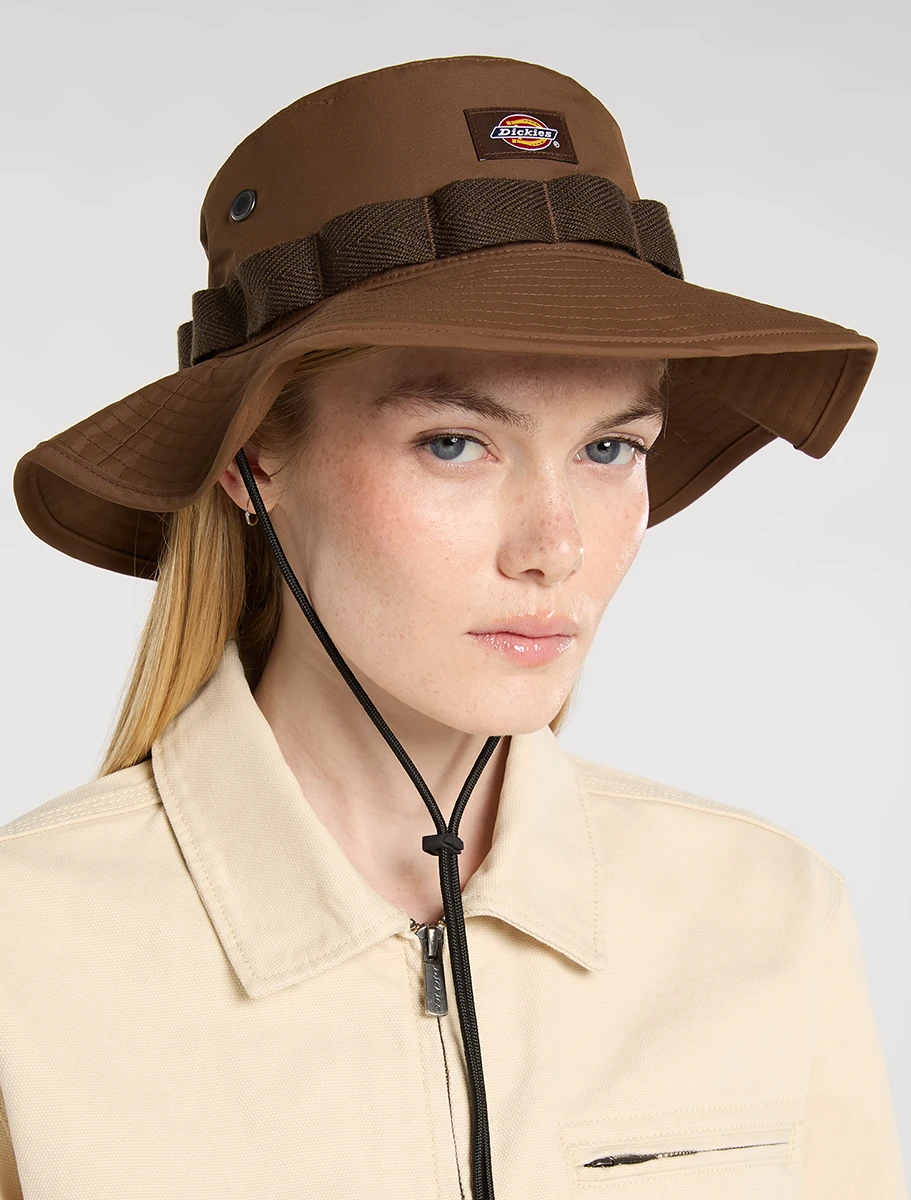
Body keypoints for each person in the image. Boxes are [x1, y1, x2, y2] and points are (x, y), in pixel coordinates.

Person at [1, 53, 906, 1200]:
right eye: (453, 443)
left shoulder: (763, 915)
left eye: (608, 448)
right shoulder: (28, 947)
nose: (554, 545)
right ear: (252, 461)